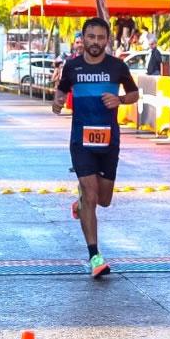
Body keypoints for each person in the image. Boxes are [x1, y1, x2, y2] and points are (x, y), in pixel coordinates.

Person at [53, 17, 139, 278]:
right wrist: (57, 102)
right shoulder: (72, 67)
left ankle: (80, 206)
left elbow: (134, 94)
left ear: (107, 40)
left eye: (101, 38)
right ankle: (95, 256)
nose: (95, 42)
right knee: (91, 195)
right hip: (81, 140)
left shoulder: (117, 67)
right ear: (83, 38)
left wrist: (120, 99)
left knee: (103, 199)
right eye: (91, 37)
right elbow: (61, 91)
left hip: (109, 140)